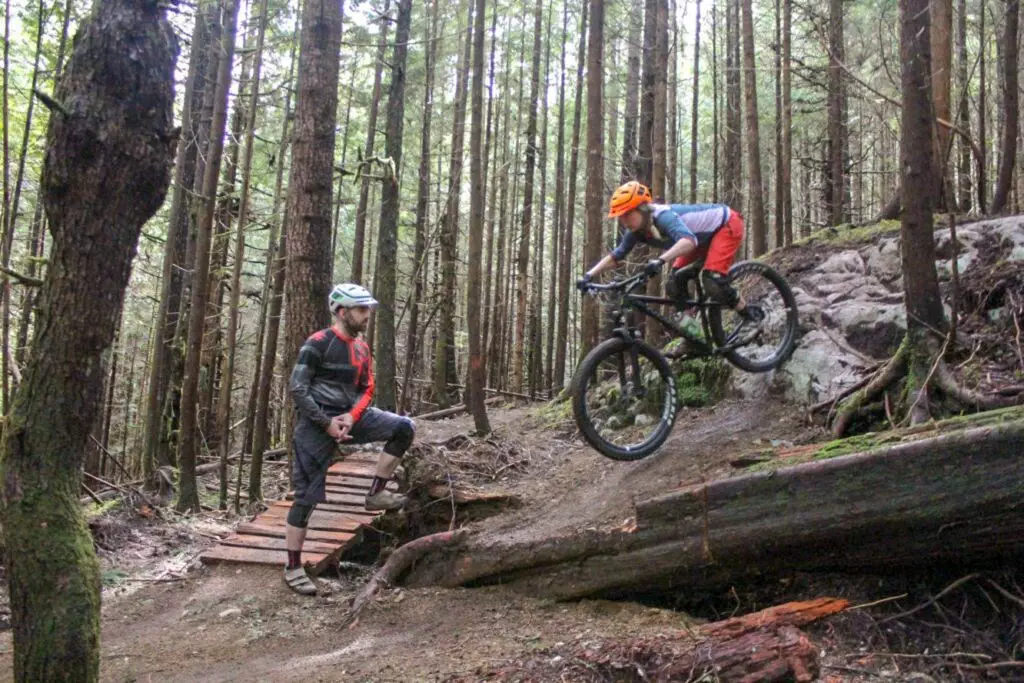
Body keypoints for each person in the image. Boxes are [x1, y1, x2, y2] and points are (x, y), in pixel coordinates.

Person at [283, 283, 414, 596]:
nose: (366, 315)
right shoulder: (317, 343)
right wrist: (327, 423)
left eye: (367, 309)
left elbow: (367, 388)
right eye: (360, 309)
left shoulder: (361, 348)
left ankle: (375, 494)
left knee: (403, 428)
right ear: (341, 311)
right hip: (317, 424)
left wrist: (352, 417)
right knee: (306, 498)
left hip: (351, 417)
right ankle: (293, 567)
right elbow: (298, 388)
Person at [576, 180, 758, 319]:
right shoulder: (636, 230)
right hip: (699, 239)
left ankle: (747, 313)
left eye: (627, 214)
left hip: (726, 224)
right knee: (674, 283)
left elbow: (688, 241)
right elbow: (617, 256)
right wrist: (589, 275)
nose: (623, 221)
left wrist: (660, 260)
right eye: (620, 217)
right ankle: (691, 333)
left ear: (642, 209)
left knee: (712, 281)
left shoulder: (663, 217)